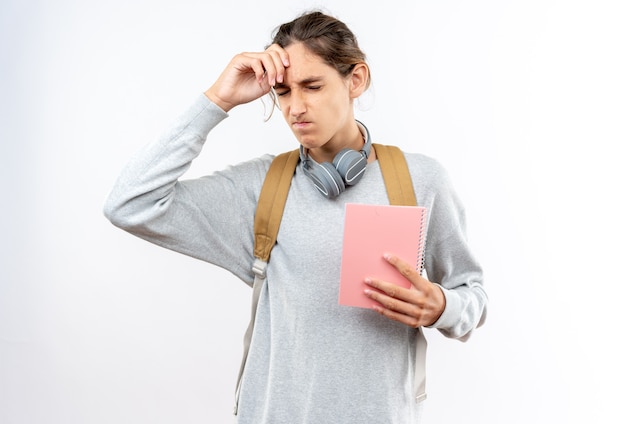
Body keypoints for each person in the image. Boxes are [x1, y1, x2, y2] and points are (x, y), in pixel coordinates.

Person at [103, 10, 488, 423]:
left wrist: (441, 305)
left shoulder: (420, 181)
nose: (295, 108)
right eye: (283, 92)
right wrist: (218, 100)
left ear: (355, 80)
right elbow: (130, 203)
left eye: (313, 86)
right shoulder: (262, 188)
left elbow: (473, 296)